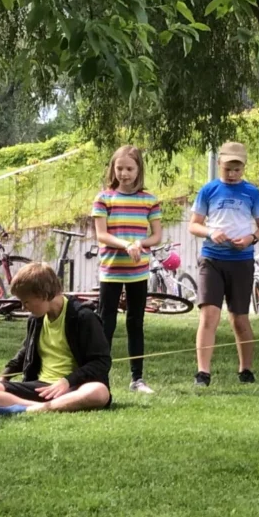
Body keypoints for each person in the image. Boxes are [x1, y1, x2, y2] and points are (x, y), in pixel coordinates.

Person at [0, 263, 113, 416]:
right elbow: (24, 354)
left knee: (99, 392)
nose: (23, 307)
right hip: (40, 387)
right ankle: (41, 407)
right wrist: (4, 377)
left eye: (26, 301)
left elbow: (101, 362)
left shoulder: (83, 317)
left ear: (43, 295)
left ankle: (32, 408)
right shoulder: (36, 320)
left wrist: (67, 381)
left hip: (73, 387)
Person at [188, 142, 259, 387]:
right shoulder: (209, 190)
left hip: (241, 261)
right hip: (212, 259)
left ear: (243, 168)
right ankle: (203, 373)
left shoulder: (252, 193)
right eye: (227, 169)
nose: (232, 174)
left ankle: (245, 369)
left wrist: (250, 238)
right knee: (209, 315)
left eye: (237, 169)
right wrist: (211, 233)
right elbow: (194, 224)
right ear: (219, 164)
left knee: (239, 319)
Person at [91, 145, 163, 395]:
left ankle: (137, 378)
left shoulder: (149, 200)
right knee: (106, 323)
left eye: (129, 168)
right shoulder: (104, 198)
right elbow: (102, 234)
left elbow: (156, 236)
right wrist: (126, 244)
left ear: (138, 170)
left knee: (135, 322)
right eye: (119, 168)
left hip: (138, 272)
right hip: (111, 270)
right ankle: (99, 376)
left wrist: (139, 244)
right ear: (113, 168)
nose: (124, 173)